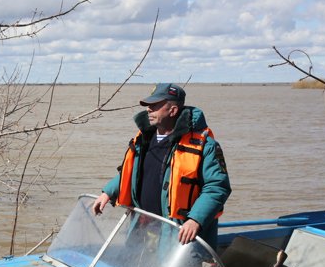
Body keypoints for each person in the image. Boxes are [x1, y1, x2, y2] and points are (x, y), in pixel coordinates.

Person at [92, 83, 231, 248]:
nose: (149, 109)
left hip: (179, 234)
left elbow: (217, 186)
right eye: (148, 105)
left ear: (172, 110)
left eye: (155, 105)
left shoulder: (205, 145)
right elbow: (134, 173)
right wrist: (108, 192)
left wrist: (195, 220)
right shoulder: (143, 139)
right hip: (143, 227)